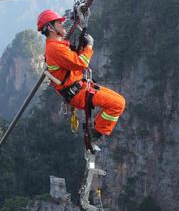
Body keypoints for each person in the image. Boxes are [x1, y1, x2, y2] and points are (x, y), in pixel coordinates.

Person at [37, 9, 125, 144]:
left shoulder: (58, 45)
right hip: (78, 93)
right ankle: (96, 133)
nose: (62, 25)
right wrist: (89, 46)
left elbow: (73, 60)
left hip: (81, 86)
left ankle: (95, 129)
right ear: (50, 28)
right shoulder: (55, 48)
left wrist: (82, 46)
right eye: (59, 23)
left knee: (119, 101)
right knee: (117, 104)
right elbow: (81, 63)